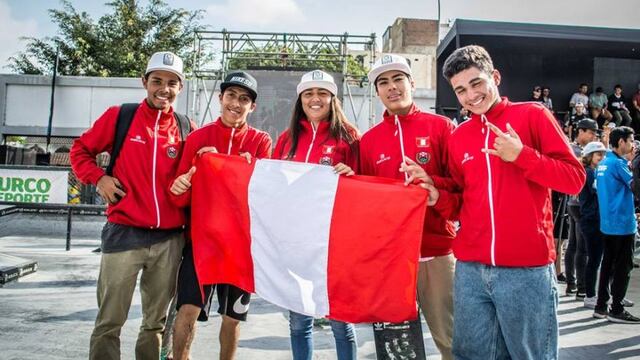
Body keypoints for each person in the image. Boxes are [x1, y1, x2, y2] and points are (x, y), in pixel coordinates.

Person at [441, 45, 585, 359]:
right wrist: (434, 193)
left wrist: (522, 156)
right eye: (460, 90)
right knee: (470, 355)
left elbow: (574, 178)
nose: (470, 95)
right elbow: (459, 200)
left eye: (476, 83)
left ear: (495, 76)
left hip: (525, 271)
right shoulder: (459, 136)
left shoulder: (532, 115)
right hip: (470, 271)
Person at [70, 51, 192, 359]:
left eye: (172, 83)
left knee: (155, 324)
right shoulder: (120, 116)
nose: (164, 89)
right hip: (124, 233)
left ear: (180, 87)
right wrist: (99, 179)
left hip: (169, 239)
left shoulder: (185, 126)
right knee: (110, 321)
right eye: (157, 81)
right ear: (144, 82)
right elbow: (80, 150)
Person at [168, 71, 272, 360]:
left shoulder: (261, 141)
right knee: (187, 310)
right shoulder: (199, 138)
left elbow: (262, 196)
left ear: (252, 107)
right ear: (220, 98)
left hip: (240, 247)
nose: (236, 104)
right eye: (231, 96)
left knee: (232, 318)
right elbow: (177, 195)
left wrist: (237, 167)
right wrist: (184, 183)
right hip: (201, 242)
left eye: (244, 99)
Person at [359, 54, 456, 360]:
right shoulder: (369, 141)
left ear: (412, 83)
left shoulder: (441, 127)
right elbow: (366, 199)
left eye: (398, 79)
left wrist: (432, 183)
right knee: (397, 347)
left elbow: (460, 185)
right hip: (391, 259)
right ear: (377, 92)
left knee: (451, 340)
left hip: (437, 252)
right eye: (383, 82)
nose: (392, 87)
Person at [272, 69, 359, 360]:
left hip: (334, 246)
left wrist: (352, 176)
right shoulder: (286, 139)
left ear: (332, 98)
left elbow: (364, 186)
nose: (315, 98)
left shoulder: (349, 137)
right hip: (296, 245)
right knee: (298, 323)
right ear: (301, 99)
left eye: (322, 92)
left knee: (340, 322)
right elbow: (272, 187)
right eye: (308, 93)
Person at [593, 126, 640, 323]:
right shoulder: (619, 164)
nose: (632, 146)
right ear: (621, 142)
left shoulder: (603, 163)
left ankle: (601, 304)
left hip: (607, 222)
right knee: (623, 267)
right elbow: (635, 185)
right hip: (622, 224)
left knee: (607, 265)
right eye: (630, 141)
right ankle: (617, 308)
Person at [564, 119, 598, 298]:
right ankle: (579, 286)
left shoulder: (583, 150)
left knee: (575, 244)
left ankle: (574, 284)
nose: (593, 136)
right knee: (579, 246)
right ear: (581, 131)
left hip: (575, 202)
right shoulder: (572, 149)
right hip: (577, 203)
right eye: (591, 132)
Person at [579, 141, 607, 309]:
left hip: (595, 219)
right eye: (599, 155)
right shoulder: (589, 173)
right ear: (590, 156)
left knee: (598, 259)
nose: (602, 158)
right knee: (594, 259)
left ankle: (599, 294)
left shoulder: (594, 171)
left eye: (603, 155)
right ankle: (590, 295)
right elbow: (598, 191)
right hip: (591, 220)